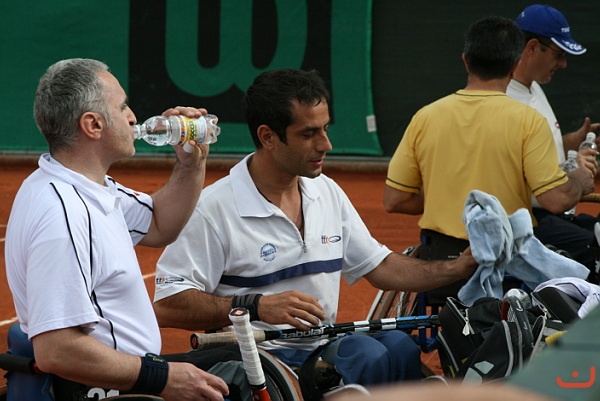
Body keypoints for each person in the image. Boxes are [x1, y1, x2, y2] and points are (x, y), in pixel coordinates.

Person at [152, 68, 477, 389]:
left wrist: (459, 267)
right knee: (368, 356)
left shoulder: (327, 191)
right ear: (268, 137)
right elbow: (168, 305)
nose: (326, 144)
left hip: (322, 350)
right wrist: (256, 306)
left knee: (399, 346)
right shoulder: (212, 208)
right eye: (309, 134)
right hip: (259, 365)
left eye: (325, 129)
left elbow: (381, 267)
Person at [4, 58, 241, 401]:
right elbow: (56, 349)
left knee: (237, 363)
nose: (133, 117)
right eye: (122, 106)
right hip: (104, 389)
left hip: (128, 376)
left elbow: (159, 224)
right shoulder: (64, 215)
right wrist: (162, 378)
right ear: (93, 125)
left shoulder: (85, 186)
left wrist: (191, 163)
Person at [383, 16, 597, 304]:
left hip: (442, 262)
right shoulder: (529, 121)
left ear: (465, 61)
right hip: (507, 262)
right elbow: (557, 200)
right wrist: (580, 180)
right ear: (514, 65)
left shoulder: (425, 117)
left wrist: (451, 198)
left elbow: (395, 199)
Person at [507, 4, 600, 280]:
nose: (563, 64)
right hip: (529, 222)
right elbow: (534, 184)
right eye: (558, 55)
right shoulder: (507, 101)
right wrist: (576, 178)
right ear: (532, 48)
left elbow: (538, 151)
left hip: (548, 214)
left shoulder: (533, 86)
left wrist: (572, 142)